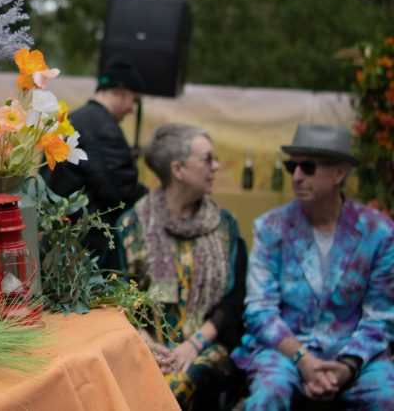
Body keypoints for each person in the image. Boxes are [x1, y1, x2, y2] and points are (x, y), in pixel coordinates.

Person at [232, 123, 394, 409]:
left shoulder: (378, 232)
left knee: (386, 398)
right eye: (291, 166)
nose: (296, 177)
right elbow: (260, 310)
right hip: (285, 350)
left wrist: (347, 365)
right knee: (268, 395)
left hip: (354, 352)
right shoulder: (271, 228)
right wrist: (302, 359)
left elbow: (381, 315)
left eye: (307, 167)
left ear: (339, 173)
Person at [116, 123, 247, 410]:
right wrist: (145, 342)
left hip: (209, 347)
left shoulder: (225, 226)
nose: (215, 166)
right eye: (207, 159)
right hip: (145, 347)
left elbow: (234, 298)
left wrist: (194, 343)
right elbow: (115, 296)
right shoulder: (133, 225)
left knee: (173, 389)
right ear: (178, 170)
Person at [43, 53, 148, 267]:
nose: (131, 109)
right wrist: (156, 200)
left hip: (64, 239)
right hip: (89, 248)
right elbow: (119, 191)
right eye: (133, 100)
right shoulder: (101, 127)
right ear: (120, 91)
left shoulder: (77, 118)